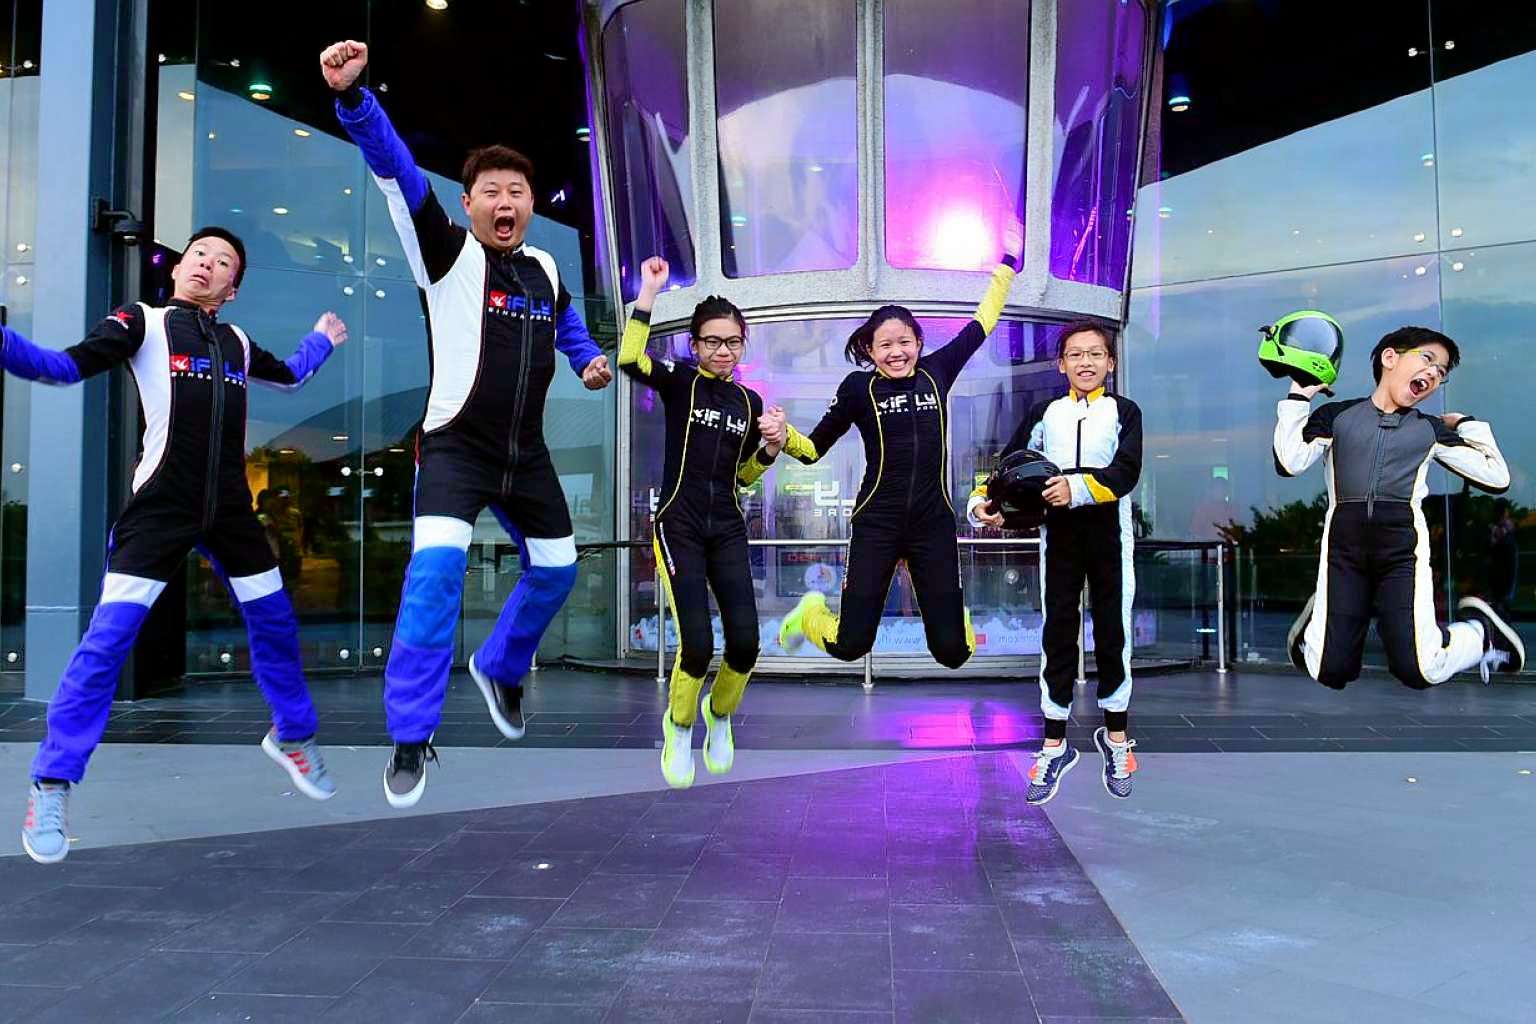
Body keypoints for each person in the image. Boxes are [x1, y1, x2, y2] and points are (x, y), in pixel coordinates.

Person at [321, 40, 613, 807]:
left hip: (526, 454)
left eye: (517, 191)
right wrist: (354, 101)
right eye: (490, 191)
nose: (505, 201)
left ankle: (499, 667)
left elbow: (566, 321)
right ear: (468, 204)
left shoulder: (545, 269)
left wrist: (587, 359)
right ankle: (410, 736)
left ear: (530, 204)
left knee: (558, 570)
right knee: (435, 579)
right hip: (456, 448)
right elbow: (396, 172)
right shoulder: (445, 254)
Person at [2, 227, 346, 863]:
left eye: (222, 262)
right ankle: (51, 782)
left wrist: (320, 342)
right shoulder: (145, 323)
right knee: (107, 643)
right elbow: (63, 366)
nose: (207, 264)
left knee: (276, 622)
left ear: (231, 288)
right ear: (180, 268)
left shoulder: (238, 342)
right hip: (161, 507)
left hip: (230, 511)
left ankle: (293, 736)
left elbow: (292, 377)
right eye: (199, 255)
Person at [776, 229, 1021, 667]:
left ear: (919, 344)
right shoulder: (858, 388)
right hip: (878, 523)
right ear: (870, 350)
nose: (896, 352)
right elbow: (812, 449)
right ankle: (810, 613)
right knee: (851, 645)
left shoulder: (936, 372)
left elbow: (982, 324)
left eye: (905, 342)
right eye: (885, 345)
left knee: (953, 652)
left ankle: (954, 620)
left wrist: (1007, 263)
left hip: (932, 523)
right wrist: (782, 437)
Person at [1278, 326, 1523, 691]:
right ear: (1389, 358)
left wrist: (1467, 424)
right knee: (1331, 671)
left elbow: (1496, 476)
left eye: (1441, 371)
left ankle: (1482, 634)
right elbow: (1290, 460)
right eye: (1427, 359)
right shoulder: (1337, 416)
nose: (1433, 373)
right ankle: (1314, 629)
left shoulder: (1429, 430)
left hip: (1402, 551)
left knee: (1420, 669)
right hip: (1344, 547)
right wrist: (1298, 398)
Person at [620, 258, 784, 788]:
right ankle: (679, 723)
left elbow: (745, 475)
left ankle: (719, 713)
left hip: (727, 528)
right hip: (679, 524)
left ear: (743, 344)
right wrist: (649, 293)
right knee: (696, 643)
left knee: (746, 643)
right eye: (712, 341)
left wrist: (771, 449)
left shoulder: (748, 401)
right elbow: (629, 357)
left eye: (733, 342)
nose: (723, 350)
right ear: (694, 345)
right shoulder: (680, 382)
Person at [970, 322, 1143, 804]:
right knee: (1057, 636)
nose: (1086, 362)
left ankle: (1116, 739)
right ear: (1061, 363)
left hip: (1110, 535)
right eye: (1076, 354)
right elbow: (1009, 463)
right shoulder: (1045, 413)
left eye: (1096, 353)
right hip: (1059, 536)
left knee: (1113, 634)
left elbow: (1126, 471)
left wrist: (1077, 487)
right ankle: (1054, 744)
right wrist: (983, 502)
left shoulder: (1125, 411)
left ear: (1111, 362)